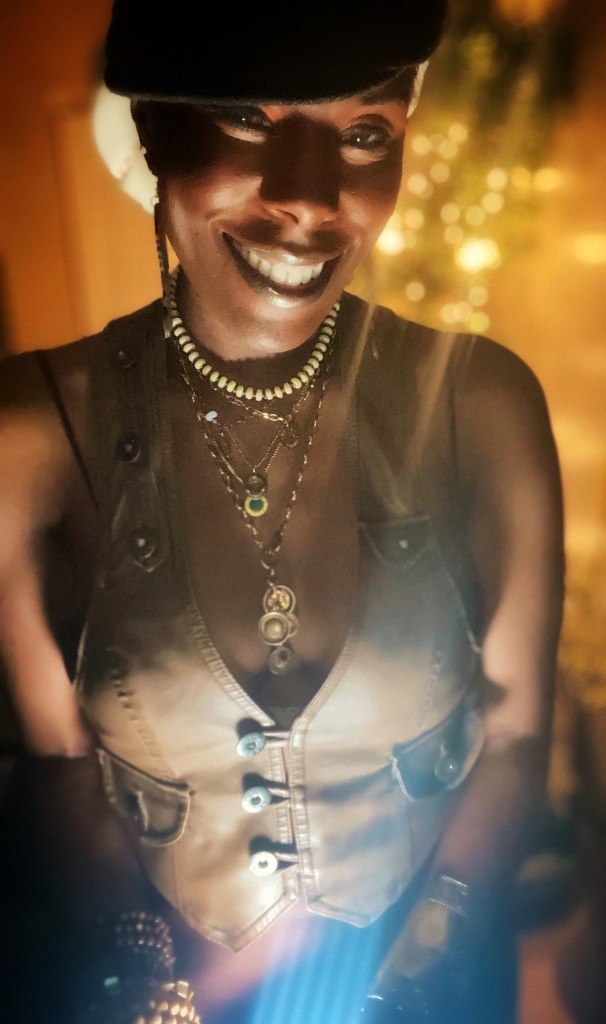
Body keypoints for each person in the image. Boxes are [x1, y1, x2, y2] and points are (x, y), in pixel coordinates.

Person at [0, 1, 564, 1021]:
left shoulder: (481, 405)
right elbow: (58, 763)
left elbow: (518, 738)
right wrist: (152, 987)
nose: (311, 197)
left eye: (366, 133)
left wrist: (429, 954)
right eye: (249, 117)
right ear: (152, 128)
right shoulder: (30, 434)